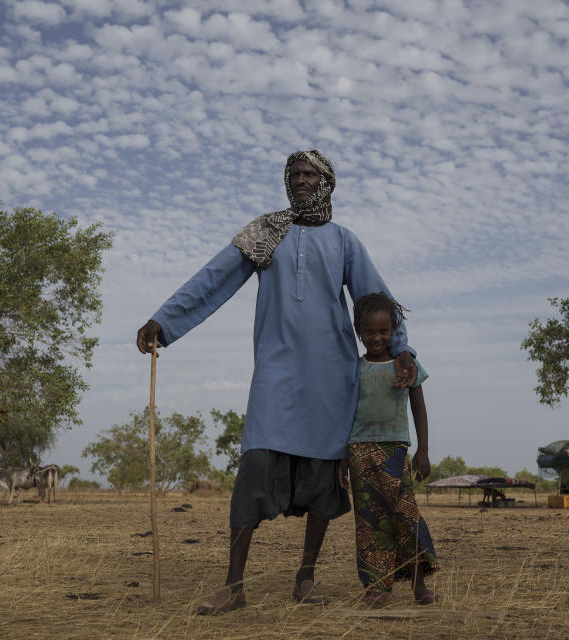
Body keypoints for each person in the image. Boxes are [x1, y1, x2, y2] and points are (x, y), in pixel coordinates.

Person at [136, 150, 417, 615]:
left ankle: (305, 577)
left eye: (311, 174)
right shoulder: (265, 233)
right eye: (295, 174)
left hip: (332, 379)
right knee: (255, 468)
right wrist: (164, 321)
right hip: (276, 373)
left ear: (327, 181)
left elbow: (376, 299)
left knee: (325, 480)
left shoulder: (345, 241)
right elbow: (213, 279)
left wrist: (402, 347)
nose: (302, 180)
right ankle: (234, 584)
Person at [339, 292, 438, 607]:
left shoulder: (405, 365)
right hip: (359, 452)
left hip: (395, 450)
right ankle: (376, 587)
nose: (377, 337)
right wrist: (342, 457)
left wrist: (422, 450)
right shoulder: (355, 369)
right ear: (360, 332)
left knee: (405, 516)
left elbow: (419, 408)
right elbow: (345, 415)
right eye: (370, 332)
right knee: (369, 522)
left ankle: (419, 585)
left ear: (395, 331)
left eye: (384, 331)